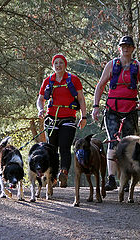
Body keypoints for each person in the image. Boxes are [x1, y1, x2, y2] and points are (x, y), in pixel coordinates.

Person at [92, 36, 140, 191]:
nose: (126, 48)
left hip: (130, 109)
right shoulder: (112, 65)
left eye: (129, 46)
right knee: (112, 141)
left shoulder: (138, 66)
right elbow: (100, 85)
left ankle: (125, 178)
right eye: (123, 46)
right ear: (119, 48)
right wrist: (95, 106)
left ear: (133, 49)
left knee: (129, 144)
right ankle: (111, 179)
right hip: (112, 108)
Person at [37, 54, 87, 187]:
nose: (58, 65)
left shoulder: (73, 80)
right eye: (56, 63)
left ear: (65, 65)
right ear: (53, 66)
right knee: (51, 149)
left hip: (68, 117)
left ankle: (63, 172)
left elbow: (81, 99)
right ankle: (52, 176)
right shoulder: (48, 81)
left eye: (61, 63)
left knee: (65, 146)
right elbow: (40, 99)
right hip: (52, 118)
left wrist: (83, 116)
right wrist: (40, 110)